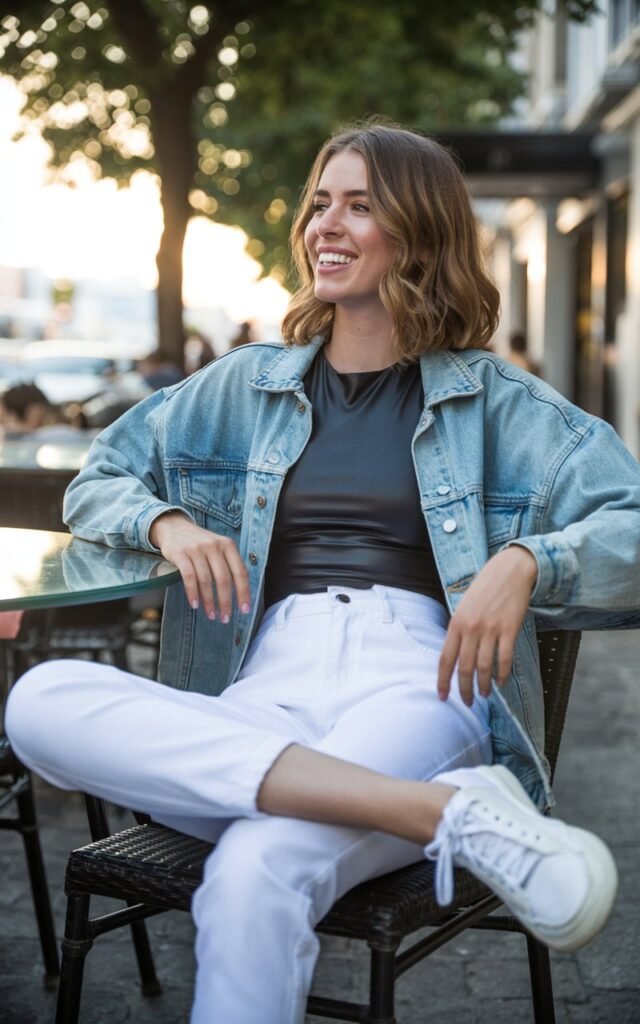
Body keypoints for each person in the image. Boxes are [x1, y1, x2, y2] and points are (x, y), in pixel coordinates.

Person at [6, 121, 640, 1024]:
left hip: (418, 678)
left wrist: (533, 558)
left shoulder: (501, 405)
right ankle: (452, 817)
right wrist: (169, 521)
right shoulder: (243, 387)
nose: (324, 227)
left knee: (253, 870)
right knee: (40, 703)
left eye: (359, 206)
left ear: (419, 231)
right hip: (266, 676)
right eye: (318, 204)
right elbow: (100, 478)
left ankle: (435, 797)